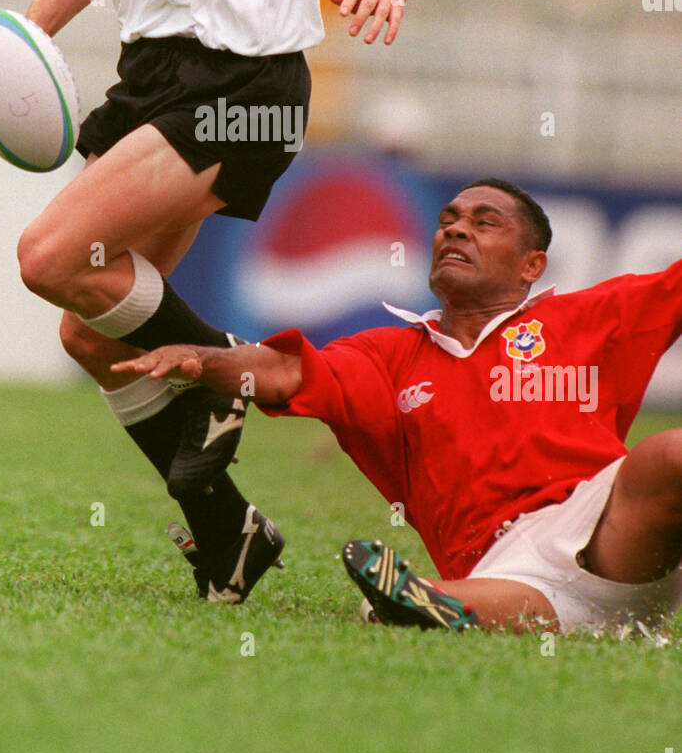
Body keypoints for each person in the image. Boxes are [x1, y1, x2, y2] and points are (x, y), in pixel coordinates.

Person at [16, 0, 445, 602]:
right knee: (91, 332)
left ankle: (222, 372)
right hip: (150, 81)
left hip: (244, 85)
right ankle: (230, 531)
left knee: (48, 257)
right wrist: (28, 37)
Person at [114, 178, 682, 636]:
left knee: (670, 457)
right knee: (415, 604)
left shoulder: (589, 318)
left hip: (606, 531)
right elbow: (287, 372)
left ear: (532, 266)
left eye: (484, 223)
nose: (457, 230)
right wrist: (205, 359)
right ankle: (429, 606)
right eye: (448, 221)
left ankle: (424, 606)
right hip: (503, 570)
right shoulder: (387, 356)